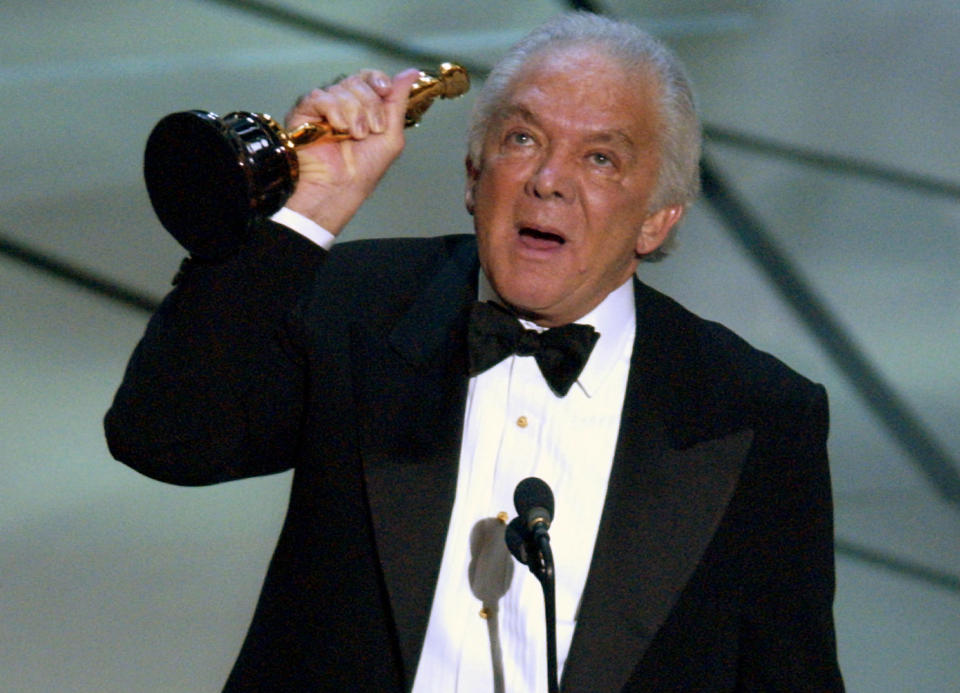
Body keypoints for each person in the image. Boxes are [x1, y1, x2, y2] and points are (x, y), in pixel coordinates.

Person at [105, 12, 844, 692]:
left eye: (600, 159)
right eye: (522, 140)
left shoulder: (757, 414)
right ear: (473, 176)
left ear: (656, 221)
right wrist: (308, 212)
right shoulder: (360, 304)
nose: (548, 181)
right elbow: (164, 436)